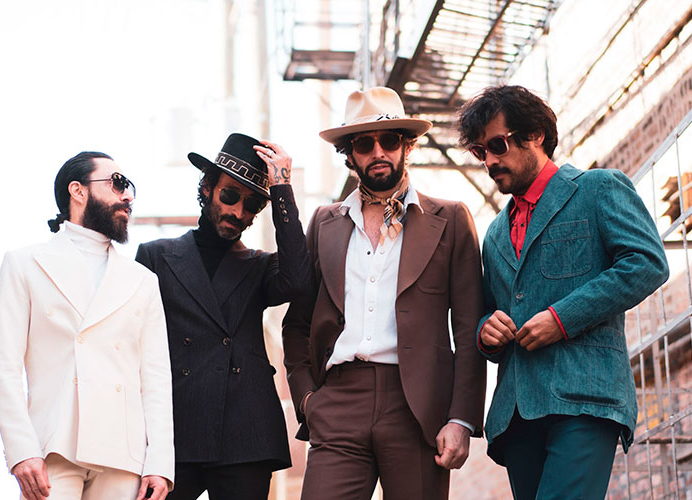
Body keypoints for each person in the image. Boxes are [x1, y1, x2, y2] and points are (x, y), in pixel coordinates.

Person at [457, 84, 670, 499]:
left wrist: (561, 319)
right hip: (516, 413)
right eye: (481, 152)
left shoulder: (598, 188)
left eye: (498, 145)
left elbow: (647, 262)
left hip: (584, 397)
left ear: (535, 135)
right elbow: (489, 311)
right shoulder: (494, 234)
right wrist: (487, 330)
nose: (490, 161)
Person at [282, 86, 486, 499]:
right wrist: (307, 400)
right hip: (338, 401)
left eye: (389, 140)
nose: (378, 152)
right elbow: (297, 324)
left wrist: (461, 418)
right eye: (364, 144)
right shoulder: (324, 223)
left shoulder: (450, 219)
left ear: (406, 146)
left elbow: (469, 331)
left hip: (417, 407)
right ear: (349, 154)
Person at [0, 152, 174, 500]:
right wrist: (21, 450)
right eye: (117, 183)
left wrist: (160, 463)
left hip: (124, 455)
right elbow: (4, 367)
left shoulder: (143, 280)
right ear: (78, 190)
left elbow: (156, 379)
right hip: (52, 449)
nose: (128, 196)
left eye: (129, 187)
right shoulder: (24, 264)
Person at [135, 133, 310, 500]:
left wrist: (281, 188)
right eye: (230, 195)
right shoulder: (155, 257)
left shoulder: (259, 266)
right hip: (176, 427)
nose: (238, 212)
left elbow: (297, 280)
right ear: (207, 188)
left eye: (252, 204)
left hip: (245, 432)